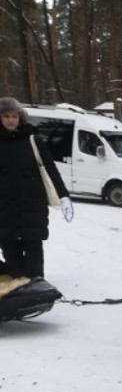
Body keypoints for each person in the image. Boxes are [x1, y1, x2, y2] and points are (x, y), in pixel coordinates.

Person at [0, 97, 74, 280]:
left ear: (20, 118)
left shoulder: (33, 141)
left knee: (34, 256)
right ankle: (18, 295)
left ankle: (36, 291)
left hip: (32, 209)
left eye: (14, 116)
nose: (10, 120)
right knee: (11, 259)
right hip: (4, 211)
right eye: (6, 116)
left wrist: (64, 196)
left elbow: (51, 169)